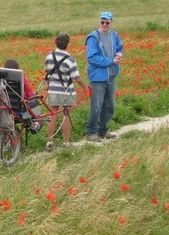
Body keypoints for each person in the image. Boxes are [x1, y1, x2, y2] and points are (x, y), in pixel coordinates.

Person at [44, 32, 88, 151]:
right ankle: (66, 142)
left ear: (56, 42)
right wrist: (84, 87)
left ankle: (50, 142)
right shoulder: (70, 60)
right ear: (67, 44)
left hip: (53, 90)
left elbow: (47, 72)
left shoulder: (49, 56)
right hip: (67, 91)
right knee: (66, 115)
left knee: (52, 115)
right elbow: (76, 78)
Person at [85, 12, 124, 141]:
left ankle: (102, 130)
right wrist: (111, 61)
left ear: (111, 22)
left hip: (111, 76)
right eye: (102, 22)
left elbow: (120, 47)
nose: (105, 25)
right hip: (98, 77)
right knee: (96, 106)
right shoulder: (93, 37)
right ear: (99, 22)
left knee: (110, 105)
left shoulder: (114, 35)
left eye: (107, 22)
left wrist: (119, 54)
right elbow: (92, 58)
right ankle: (91, 132)